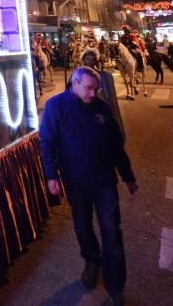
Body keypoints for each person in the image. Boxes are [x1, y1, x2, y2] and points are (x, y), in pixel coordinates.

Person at [40, 66, 138, 306]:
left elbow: (116, 146)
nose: (93, 93)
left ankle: (115, 285)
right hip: (76, 182)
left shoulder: (102, 109)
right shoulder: (56, 106)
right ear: (74, 84)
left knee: (112, 233)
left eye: (96, 88)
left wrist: (128, 176)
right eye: (89, 88)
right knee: (83, 227)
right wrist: (51, 175)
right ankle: (92, 261)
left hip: (105, 181)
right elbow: (47, 143)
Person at [80, 48, 125, 137]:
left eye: (92, 60)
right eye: (87, 59)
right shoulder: (78, 74)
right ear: (83, 60)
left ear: (95, 61)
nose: (89, 62)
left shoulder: (102, 76)